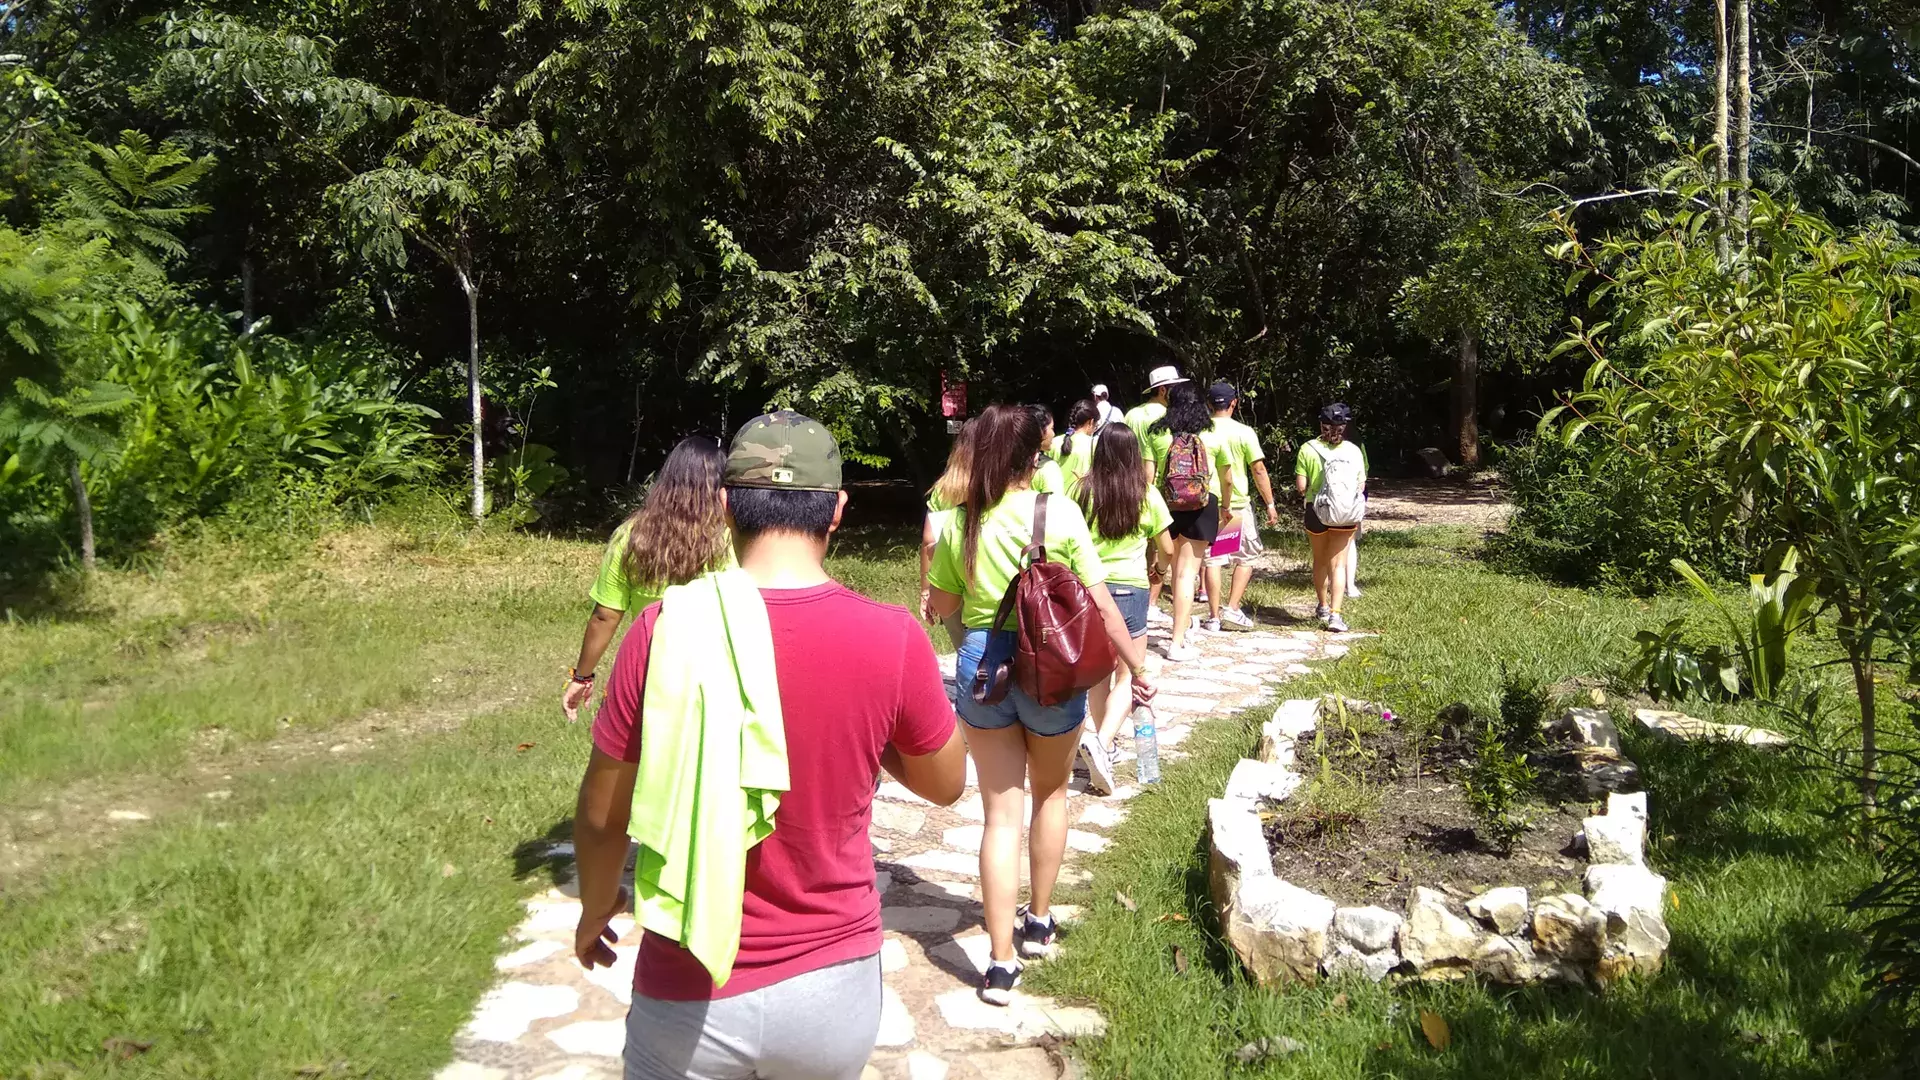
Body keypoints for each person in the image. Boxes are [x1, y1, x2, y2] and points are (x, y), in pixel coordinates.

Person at [572, 411, 969, 1080]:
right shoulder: (892, 636)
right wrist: (875, 734)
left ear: (725, 507)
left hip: (687, 983)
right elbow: (946, 783)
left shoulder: (662, 628)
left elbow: (602, 814)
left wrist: (592, 908)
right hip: (831, 986)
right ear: (838, 510)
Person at [926, 403, 1154, 1006]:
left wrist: (971, 632)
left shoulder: (959, 521)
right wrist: (1137, 666)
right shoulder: (1061, 515)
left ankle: (999, 964)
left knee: (999, 813)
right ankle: (1039, 922)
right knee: (1050, 794)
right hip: (1051, 667)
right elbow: (1101, 602)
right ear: (1038, 455)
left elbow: (944, 604)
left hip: (984, 666)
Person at [563, 435, 731, 721]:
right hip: (714, 675)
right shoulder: (730, 539)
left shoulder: (631, 535)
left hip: (647, 671)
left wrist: (582, 676)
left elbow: (605, 615)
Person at [1072, 423, 1173, 795]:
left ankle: (1105, 745)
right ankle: (1104, 741)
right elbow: (1168, 548)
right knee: (1131, 673)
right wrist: (1160, 570)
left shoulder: (1081, 490)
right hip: (1131, 590)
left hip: (1090, 590)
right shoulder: (1146, 494)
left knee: (1098, 674)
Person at [1145, 382, 1234, 661]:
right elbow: (1227, 479)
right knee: (1187, 574)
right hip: (1202, 507)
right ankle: (1177, 641)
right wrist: (1227, 508)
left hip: (1166, 508)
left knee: (1171, 570)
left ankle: (1169, 627)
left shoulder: (1157, 434)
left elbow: (1148, 479)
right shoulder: (1213, 434)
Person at [1203, 382, 1281, 630]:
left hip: (1207, 502)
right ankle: (1232, 608)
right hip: (1235, 503)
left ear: (1208, 405)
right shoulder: (1244, 432)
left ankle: (1214, 617)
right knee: (1245, 556)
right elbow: (1258, 469)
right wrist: (1270, 503)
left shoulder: (1201, 431)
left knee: (1214, 559)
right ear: (1234, 403)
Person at [1296, 402, 1368, 633]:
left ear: (1321, 424)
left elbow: (1301, 486)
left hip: (1316, 511)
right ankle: (1336, 616)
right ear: (1345, 426)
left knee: (1320, 560)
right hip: (1345, 513)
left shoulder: (1307, 448)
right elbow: (1361, 484)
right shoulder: (1354, 451)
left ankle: (1323, 605)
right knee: (1339, 564)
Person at [1126, 365, 1186, 615]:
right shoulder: (1166, 418)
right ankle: (1151, 601)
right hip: (1158, 487)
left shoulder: (1131, 415)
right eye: (1173, 388)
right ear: (1163, 390)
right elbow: (1167, 457)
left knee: (1140, 543)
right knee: (1163, 544)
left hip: (1128, 483)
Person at [920, 419, 977, 651]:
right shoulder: (990, 485)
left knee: (962, 649)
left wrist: (926, 590)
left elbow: (928, 541)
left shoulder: (944, 487)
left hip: (947, 579)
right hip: (980, 577)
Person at [1052, 399, 1099, 488]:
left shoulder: (1054, 442)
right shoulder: (1095, 444)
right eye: (1095, 426)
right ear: (1091, 422)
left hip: (1054, 498)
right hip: (1080, 498)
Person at [1027, 404, 1069, 495]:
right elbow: (1054, 505)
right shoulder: (1049, 468)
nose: (1054, 434)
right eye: (1052, 428)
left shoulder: (1009, 462)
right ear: (1041, 431)